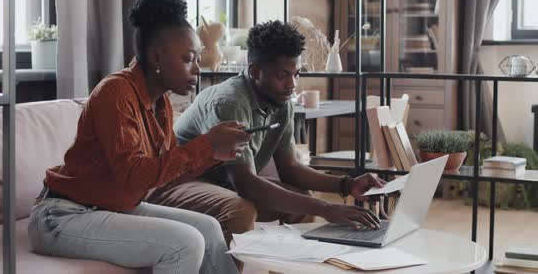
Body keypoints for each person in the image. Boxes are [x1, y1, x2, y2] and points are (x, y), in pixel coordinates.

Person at [28, 0, 250, 274]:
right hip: (61, 217)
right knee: (186, 243)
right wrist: (207, 144)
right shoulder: (116, 92)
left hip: (108, 208)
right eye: (189, 58)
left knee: (207, 226)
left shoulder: (160, 103)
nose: (198, 68)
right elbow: (134, 176)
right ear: (157, 57)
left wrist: (218, 152)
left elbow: (166, 174)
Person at [146, 20, 386, 245]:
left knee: (302, 198)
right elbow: (246, 184)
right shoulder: (229, 103)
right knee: (240, 208)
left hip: (221, 183)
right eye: (282, 75)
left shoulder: (282, 103)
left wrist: (347, 185)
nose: (292, 84)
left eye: (296, 74)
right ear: (255, 71)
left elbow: (290, 167)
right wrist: (326, 208)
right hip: (176, 184)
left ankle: (285, 268)